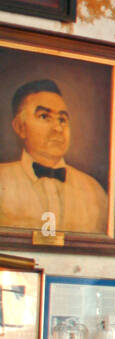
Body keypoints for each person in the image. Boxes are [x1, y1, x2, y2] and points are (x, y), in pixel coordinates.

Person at [0, 79, 108, 235]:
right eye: (44, 116)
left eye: (62, 120)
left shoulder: (94, 192)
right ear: (20, 127)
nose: (58, 128)